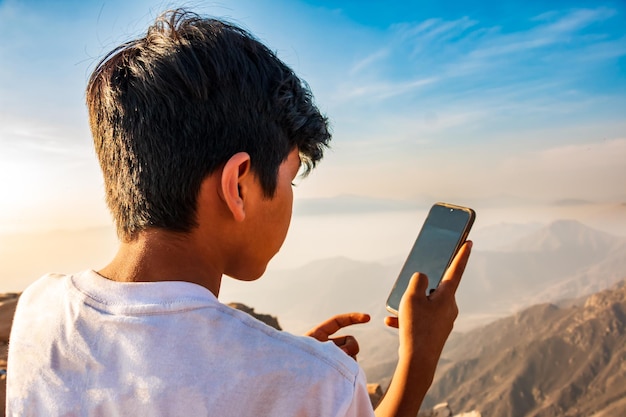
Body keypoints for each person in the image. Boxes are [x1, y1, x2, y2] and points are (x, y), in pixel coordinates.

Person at [6, 9, 472, 417]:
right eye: (290, 179)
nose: (291, 197)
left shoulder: (39, 309)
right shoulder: (318, 382)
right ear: (240, 185)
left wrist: (274, 371)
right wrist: (417, 357)